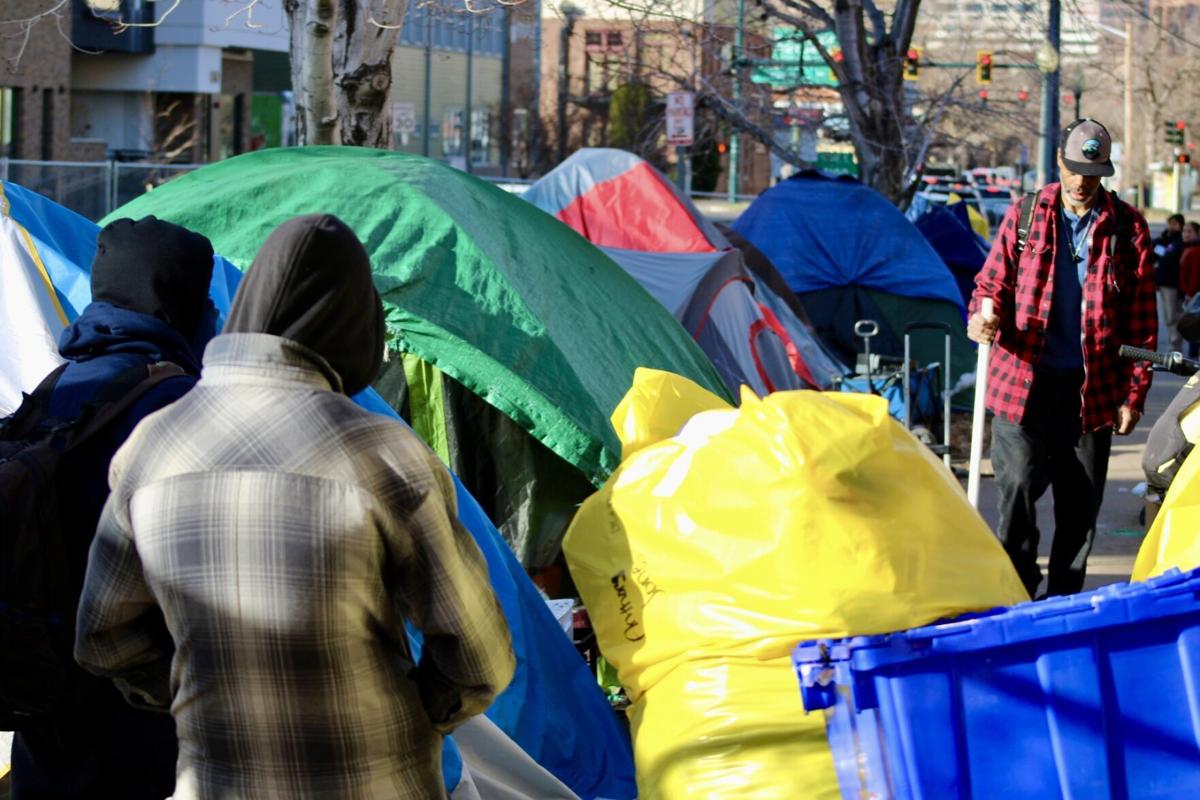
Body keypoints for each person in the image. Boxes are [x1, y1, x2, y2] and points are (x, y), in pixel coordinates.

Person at [74, 214, 515, 798]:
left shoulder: (151, 447)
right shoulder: (382, 453)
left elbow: (104, 638)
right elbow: (478, 656)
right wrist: (419, 712)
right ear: (353, 326)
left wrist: (191, 698)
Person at [9, 216, 216, 799]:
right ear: (182, 301)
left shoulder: (56, 388)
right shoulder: (176, 404)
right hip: (136, 714)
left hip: (42, 692)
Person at [968, 118, 1156, 598]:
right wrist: (981, 318)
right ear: (1059, 162)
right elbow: (991, 286)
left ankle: (1067, 604)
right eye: (1074, 169)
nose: (1081, 182)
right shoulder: (1026, 214)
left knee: (1080, 509)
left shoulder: (1128, 227)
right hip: (1021, 385)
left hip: (1090, 393)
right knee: (1016, 499)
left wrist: (1134, 395)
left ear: (1104, 172)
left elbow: (1141, 322)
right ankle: (1016, 593)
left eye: (1091, 172)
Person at [1154, 213, 1186, 352]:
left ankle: (1175, 345)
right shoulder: (1166, 238)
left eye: (1174, 224)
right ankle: (1174, 343)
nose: (1171, 226)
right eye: (1170, 223)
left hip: (1173, 283)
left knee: (1173, 315)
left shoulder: (1180, 241)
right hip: (1164, 282)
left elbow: (1169, 257)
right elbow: (1155, 249)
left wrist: (1163, 252)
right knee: (1168, 315)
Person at [1178, 222, 1200, 357]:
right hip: (1190, 292)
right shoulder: (1187, 247)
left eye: (1189, 231)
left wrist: (1189, 293)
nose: (1185, 234)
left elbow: (1195, 275)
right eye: (1184, 231)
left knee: (1194, 323)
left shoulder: (1195, 250)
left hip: (1193, 294)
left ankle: (1193, 354)